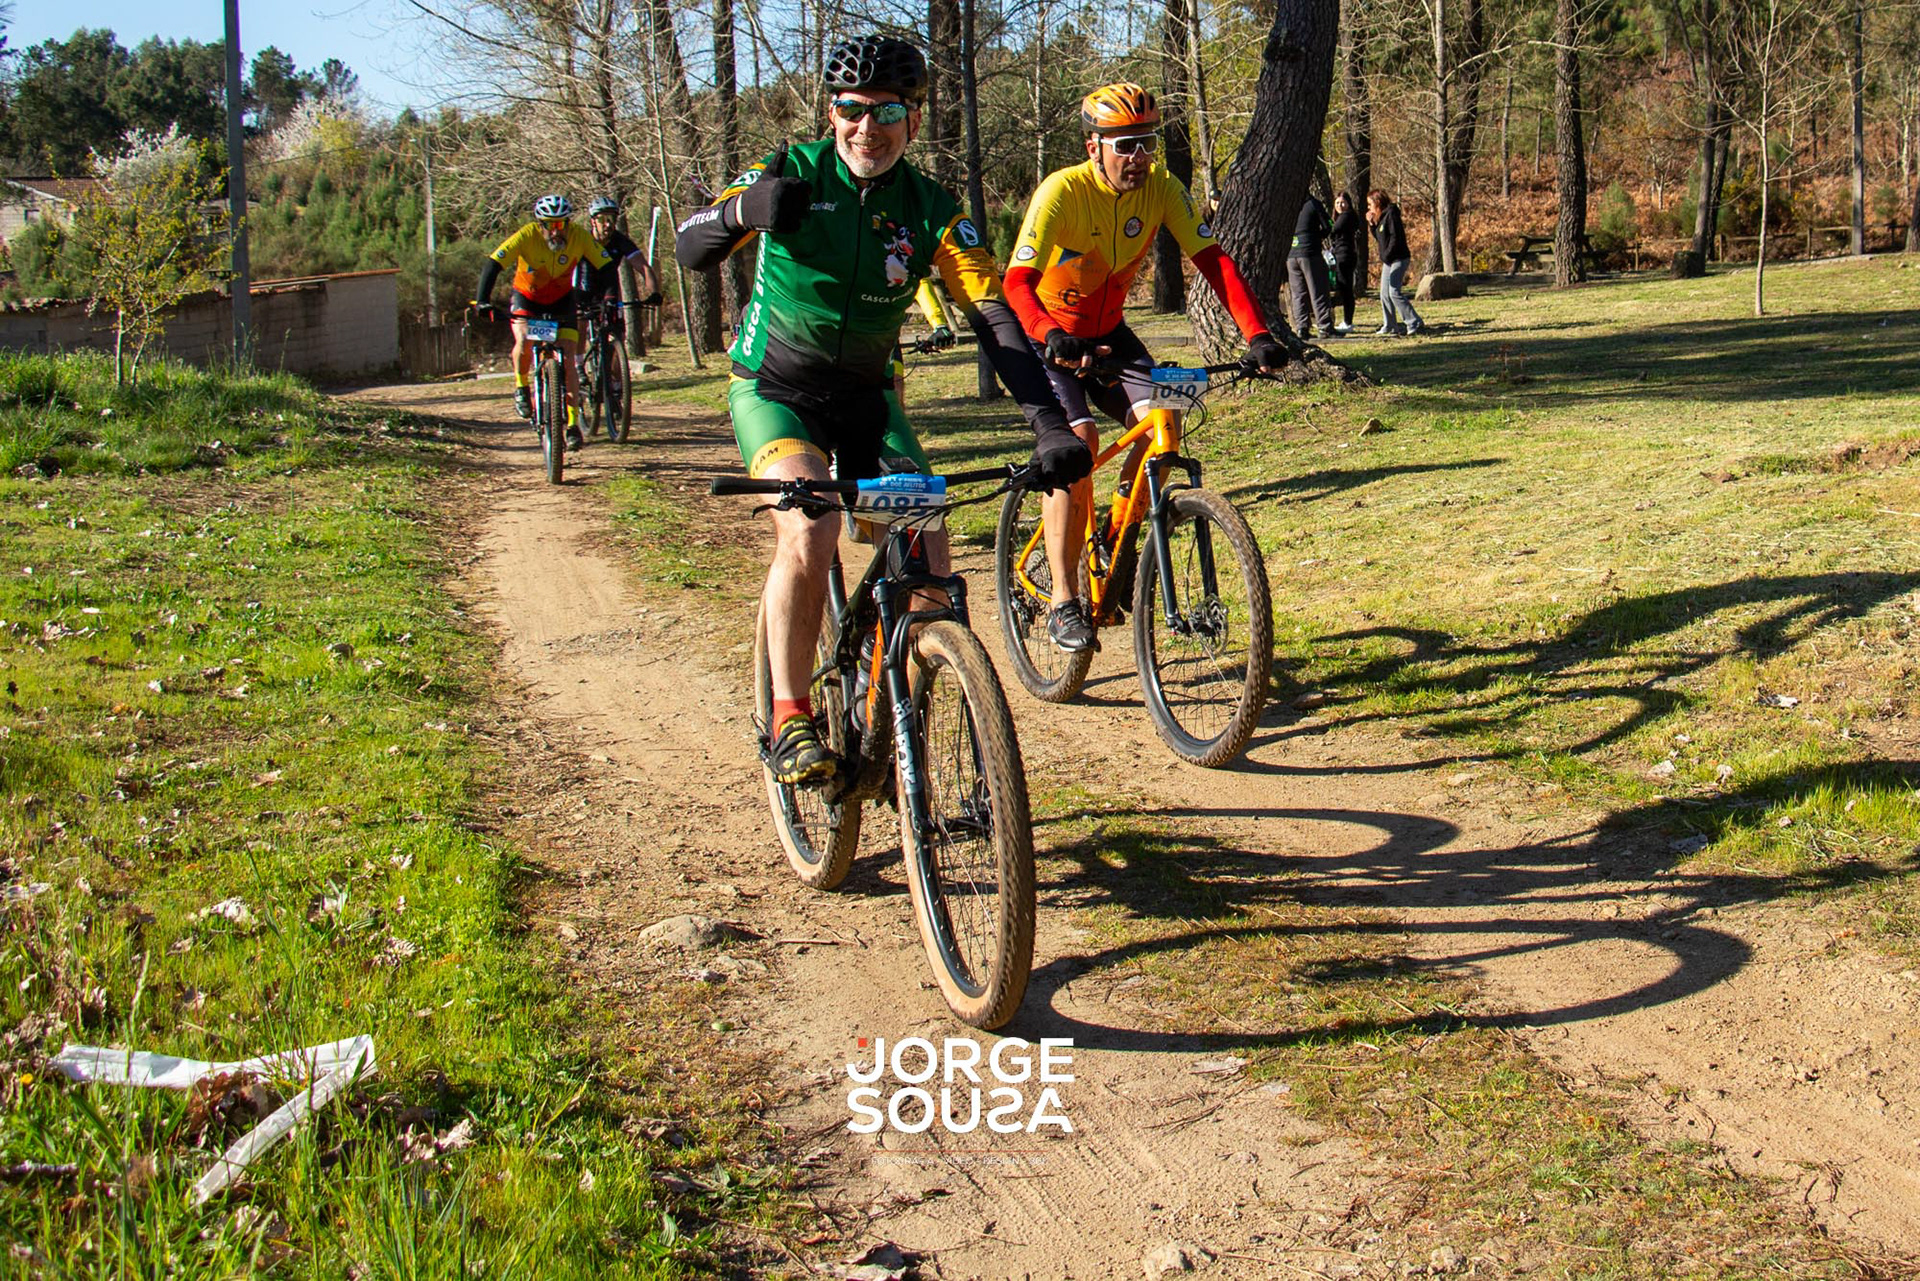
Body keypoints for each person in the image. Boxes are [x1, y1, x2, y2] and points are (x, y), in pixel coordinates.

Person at [675, 35, 1089, 786]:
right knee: (811, 529)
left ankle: (897, 706)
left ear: (915, 119)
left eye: (888, 112)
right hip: (775, 391)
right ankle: (790, 718)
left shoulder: (930, 208)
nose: (868, 128)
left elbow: (993, 316)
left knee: (929, 546)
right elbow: (688, 245)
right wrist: (744, 209)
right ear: (832, 114)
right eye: (851, 110)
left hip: (868, 398)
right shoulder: (791, 168)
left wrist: (1048, 424)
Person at [1002, 81, 1286, 653]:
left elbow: (1214, 262)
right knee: (1078, 444)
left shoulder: (1161, 187)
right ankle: (1063, 600)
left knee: (1165, 417)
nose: (1139, 157)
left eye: (1147, 142)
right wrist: (1051, 335)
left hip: (1109, 335)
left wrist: (1257, 334)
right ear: (1094, 147)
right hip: (1049, 337)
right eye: (1125, 145)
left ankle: (1118, 529)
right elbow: (1016, 283)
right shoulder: (1062, 191)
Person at [472, 194, 613, 448]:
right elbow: (493, 263)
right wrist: (482, 300)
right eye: (550, 225)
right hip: (528, 298)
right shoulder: (527, 235)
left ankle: (572, 424)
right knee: (524, 340)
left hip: (562, 300)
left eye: (561, 224)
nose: (556, 231)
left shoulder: (579, 236)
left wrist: (604, 297)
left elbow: (605, 265)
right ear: (540, 225)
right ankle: (521, 387)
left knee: (568, 357)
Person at [578, 196, 663, 368]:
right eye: (602, 219)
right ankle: (578, 365)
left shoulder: (620, 240)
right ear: (593, 221)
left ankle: (617, 378)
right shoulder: (582, 240)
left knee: (617, 334)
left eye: (612, 219)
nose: (608, 224)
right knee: (580, 322)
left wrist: (654, 293)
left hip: (609, 286)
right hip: (585, 285)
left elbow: (643, 267)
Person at [1366, 189, 1422, 337]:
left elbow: (1395, 238)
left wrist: (1387, 255)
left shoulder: (1391, 214)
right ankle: (1390, 325)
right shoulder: (1381, 217)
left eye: (1370, 204)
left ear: (1378, 202)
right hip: (1389, 260)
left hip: (1399, 258)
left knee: (1394, 292)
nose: (1369, 207)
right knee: (1384, 293)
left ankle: (1414, 322)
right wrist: (1372, 224)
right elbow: (1380, 238)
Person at [1286, 192, 1336, 339]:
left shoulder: (1287, 204)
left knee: (1298, 293)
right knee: (1318, 289)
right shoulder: (1313, 204)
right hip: (1310, 252)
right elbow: (1328, 226)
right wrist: (1316, 237)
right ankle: (1325, 326)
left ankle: (1301, 327)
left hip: (1291, 254)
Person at [1329, 191, 1365, 333]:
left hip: (1345, 255)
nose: (1340, 205)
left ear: (1349, 203)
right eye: (1337, 203)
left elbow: (1334, 229)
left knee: (1346, 288)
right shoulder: (1341, 217)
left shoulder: (1347, 216)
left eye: (1343, 202)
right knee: (1343, 288)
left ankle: (1348, 322)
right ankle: (1345, 320)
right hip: (1340, 254)